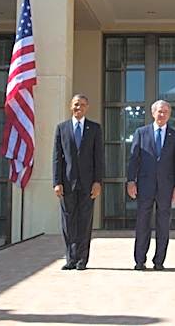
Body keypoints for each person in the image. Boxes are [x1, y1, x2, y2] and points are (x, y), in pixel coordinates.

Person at [126, 99, 175, 270]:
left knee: (163, 225)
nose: (162, 114)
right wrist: (130, 181)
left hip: (167, 186)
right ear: (153, 113)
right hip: (145, 185)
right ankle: (139, 260)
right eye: (159, 111)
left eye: (165, 111)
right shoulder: (141, 133)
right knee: (143, 223)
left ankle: (159, 261)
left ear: (169, 114)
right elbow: (134, 159)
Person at [53, 94, 104, 271]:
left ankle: (82, 259)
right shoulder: (62, 128)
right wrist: (56, 182)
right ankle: (70, 258)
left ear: (87, 107)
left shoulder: (95, 129)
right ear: (70, 106)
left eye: (82, 104)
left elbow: (99, 158)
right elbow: (57, 159)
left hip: (88, 184)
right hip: (67, 184)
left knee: (84, 222)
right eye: (76, 104)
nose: (79, 107)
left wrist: (98, 182)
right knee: (68, 223)